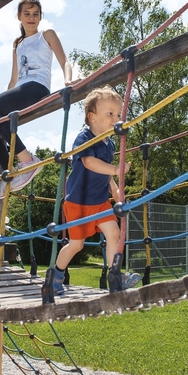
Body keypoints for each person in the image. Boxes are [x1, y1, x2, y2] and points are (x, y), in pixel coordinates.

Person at [0, 0, 73, 199]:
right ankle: (11, 174)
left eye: (35, 14)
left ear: (40, 17)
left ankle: (27, 161)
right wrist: (3, 102)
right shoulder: (17, 44)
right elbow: (14, 78)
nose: (31, 17)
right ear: (19, 16)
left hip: (36, 88)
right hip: (21, 91)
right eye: (27, 13)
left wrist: (68, 81)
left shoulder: (46, 35)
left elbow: (64, 60)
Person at [51, 86, 140, 296]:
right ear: (92, 117)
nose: (115, 118)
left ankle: (115, 276)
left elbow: (105, 173)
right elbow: (90, 162)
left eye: (118, 114)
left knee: (114, 232)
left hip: (99, 202)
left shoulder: (109, 144)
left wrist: (115, 189)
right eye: (110, 114)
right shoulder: (84, 138)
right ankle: (55, 276)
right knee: (76, 245)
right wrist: (115, 169)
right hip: (78, 202)